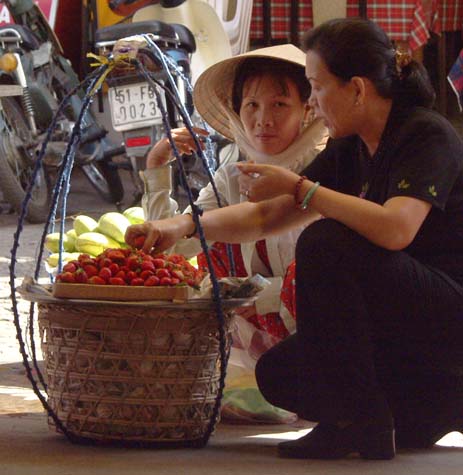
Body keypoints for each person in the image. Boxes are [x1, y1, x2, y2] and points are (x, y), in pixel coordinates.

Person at [126, 17, 463, 460]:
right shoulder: (352, 147)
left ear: (357, 90)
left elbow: (396, 229)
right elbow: (267, 216)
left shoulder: (425, 134)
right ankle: (417, 412)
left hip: (445, 312)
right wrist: (181, 227)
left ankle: (356, 422)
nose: (315, 104)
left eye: (317, 88)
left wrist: (303, 189)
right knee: (280, 374)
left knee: (326, 243)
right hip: (401, 331)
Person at [139, 44, 328, 422]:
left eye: (279, 105)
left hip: (317, 334)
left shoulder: (329, 172)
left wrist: (258, 295)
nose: (263, 120)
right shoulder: (231, 178)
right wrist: (157, 169)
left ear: (308, 110)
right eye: (252, 106)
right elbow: (178, 244)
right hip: (251, 336)